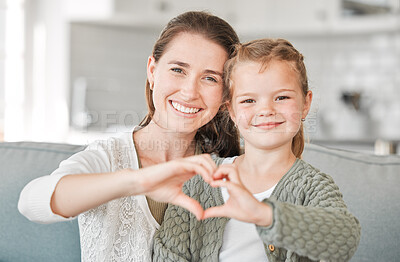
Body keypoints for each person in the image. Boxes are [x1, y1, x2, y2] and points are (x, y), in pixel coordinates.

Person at [18, 11, 240, 261]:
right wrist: (137, 182)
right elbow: (30, 202)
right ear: (152, 71)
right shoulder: (107, 157)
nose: (189, 92)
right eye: (178, 70)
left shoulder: (228, 168)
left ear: (224, 96)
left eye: (210, 78)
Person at [153, 38, 361, 261]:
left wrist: (263, 215)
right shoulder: (200, 181)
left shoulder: (312, 186)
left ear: (306, 103)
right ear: (231, 111)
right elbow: (168, 253)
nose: (266, 110)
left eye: (282, 97)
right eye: (249, 100)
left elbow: (345, 238)